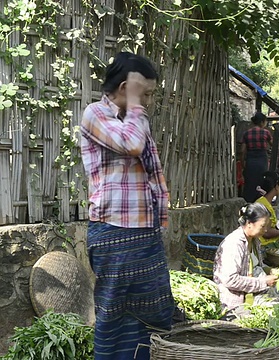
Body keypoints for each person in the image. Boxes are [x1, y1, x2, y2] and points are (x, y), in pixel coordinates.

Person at [80, 52, 174, 360]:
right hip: (113, 234)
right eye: (144, 93)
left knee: (155, 315)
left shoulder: (132, 119)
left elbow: (152, 174)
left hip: (143, 235)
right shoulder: (95, 114)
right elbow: (131, 145)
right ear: (124, 86)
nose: (147, 101)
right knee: (115, 318)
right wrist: (135, 104)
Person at [213, 203, 278, 314]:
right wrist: (263, 282)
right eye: (263, 226)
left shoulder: (254, 240)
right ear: (249, 224)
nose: (266, 230)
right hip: (233, 303)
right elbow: (230, 280)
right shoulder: (234, 244)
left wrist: (271, 270)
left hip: (253, 293)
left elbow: (256, 266)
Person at [254, 171, 279, 246]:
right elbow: (266, 232)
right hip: (266, 244)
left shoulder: (265, 202)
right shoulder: (263, 205)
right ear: (276, 186)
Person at [241, 112, 273, 202]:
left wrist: (243, 164)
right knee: (261, 180)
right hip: (262, 160)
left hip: (250, 160)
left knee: (250, 182)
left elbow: (242, 150)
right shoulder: (266, 132)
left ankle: (248, 202)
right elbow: (273, 145)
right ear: (262, 122)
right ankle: (260, 201)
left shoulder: (246, 133)